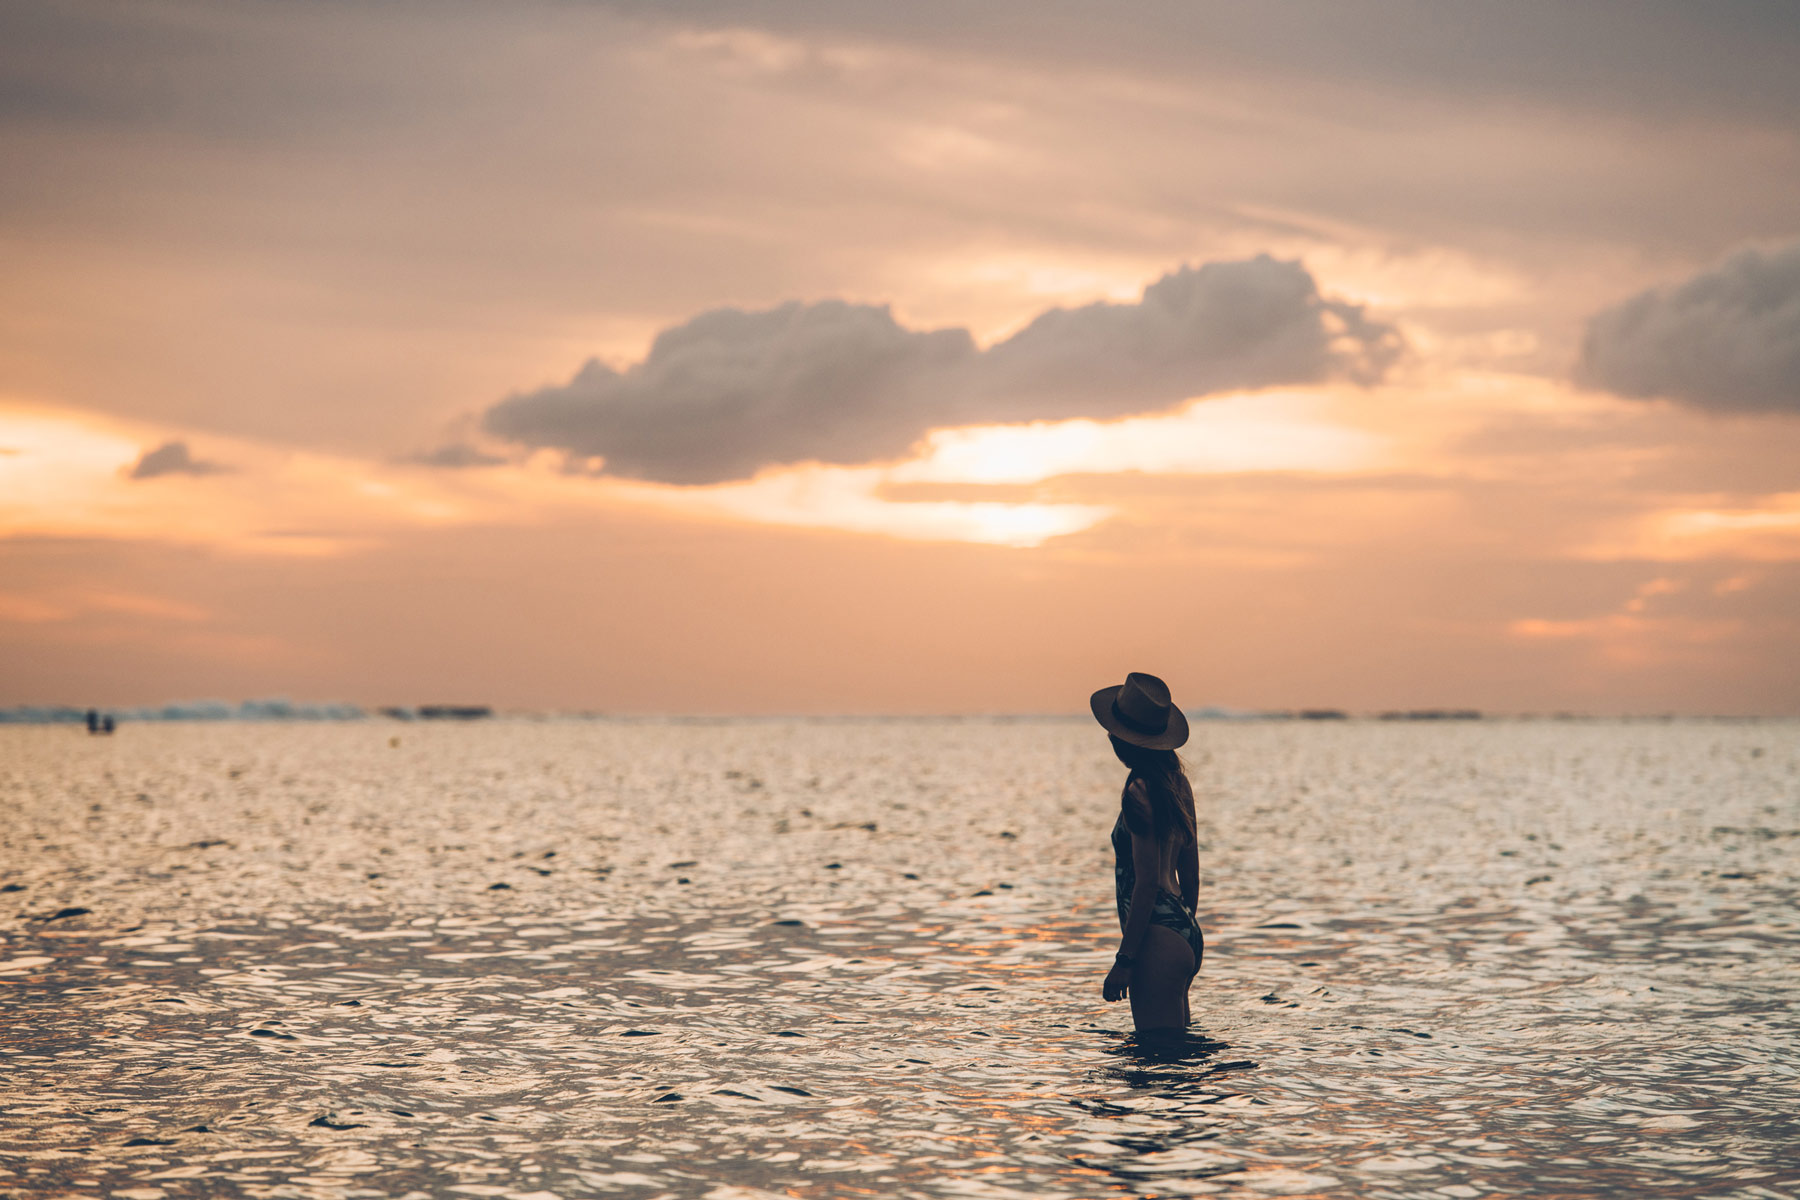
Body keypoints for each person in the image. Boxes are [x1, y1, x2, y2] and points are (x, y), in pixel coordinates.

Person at [1091, 671, 1203, 1032]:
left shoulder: (1138, 792)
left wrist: (1125, 959)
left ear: (1125, 740)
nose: (1109, 736)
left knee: (1157, 1069)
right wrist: (1183, 929)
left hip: (1155, 937)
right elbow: (1190, 872)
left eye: (1113, 731)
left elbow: (1146, 882)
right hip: (1182, 928)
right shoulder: (1177, 785)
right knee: (1178, 1066)